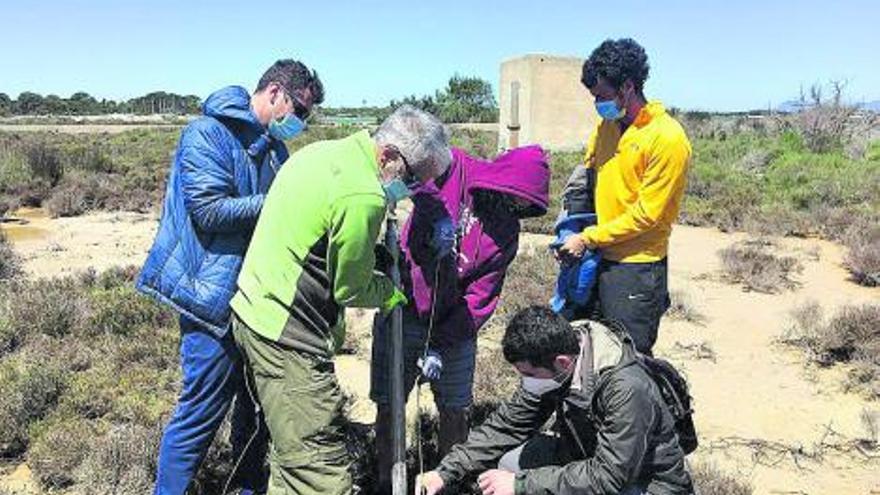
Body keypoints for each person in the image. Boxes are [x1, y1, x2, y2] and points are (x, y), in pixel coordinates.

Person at [229, 105, 452, 494]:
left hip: (253, 312)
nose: (413, 191)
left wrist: (374, 256)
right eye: (413, 179)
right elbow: (350, 289)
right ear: (388, 156)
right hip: (288, 336)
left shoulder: (323, 153)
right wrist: (388, 291)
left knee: (290, 458)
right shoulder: (363, 195)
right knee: (320, 471)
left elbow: (320, 238)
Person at [137, 60, 323, 495]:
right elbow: (209, 211)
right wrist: (280, 201)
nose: (301, 122)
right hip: (210, 297)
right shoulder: (206, 133)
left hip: (257, 298)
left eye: (308, 117)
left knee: (256, 409)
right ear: (275, 93)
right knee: (201, 410)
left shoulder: (276, 149)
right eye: (299, 110)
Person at [370, 145, 551, 490]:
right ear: (502, 180)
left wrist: (440, 343)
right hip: (404, 307)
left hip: (456, 326)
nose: (513, 207)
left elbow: (479, 298)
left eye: (524, 205)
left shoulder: (506, 234)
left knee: (455, 408)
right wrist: (432, 211)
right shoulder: (457, 168)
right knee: (389, 403)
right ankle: (383, 479)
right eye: (512, 197)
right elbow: (417, 172)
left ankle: (446, 482)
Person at [417, 306, 694, 495]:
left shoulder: (627, 389)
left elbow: (610, 476)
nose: (525, 381)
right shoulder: (559, 354)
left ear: (562, 363)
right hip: (587, 456)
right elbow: (507, 426)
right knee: (511, 463)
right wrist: (445, 472)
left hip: (647, 482)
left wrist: (521, 486)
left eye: (528, 373)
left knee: (515, 480)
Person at [557, 38, 692, 354]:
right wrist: (570, 231)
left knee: (629, 361)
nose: (597, 105)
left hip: (635, 267)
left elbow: (647, 214)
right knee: (588, 353)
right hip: (597, 258)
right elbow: (588, 177)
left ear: (628, 86)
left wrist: (588, 238)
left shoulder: (666, 138)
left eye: (601, 96)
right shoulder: (606, 127)